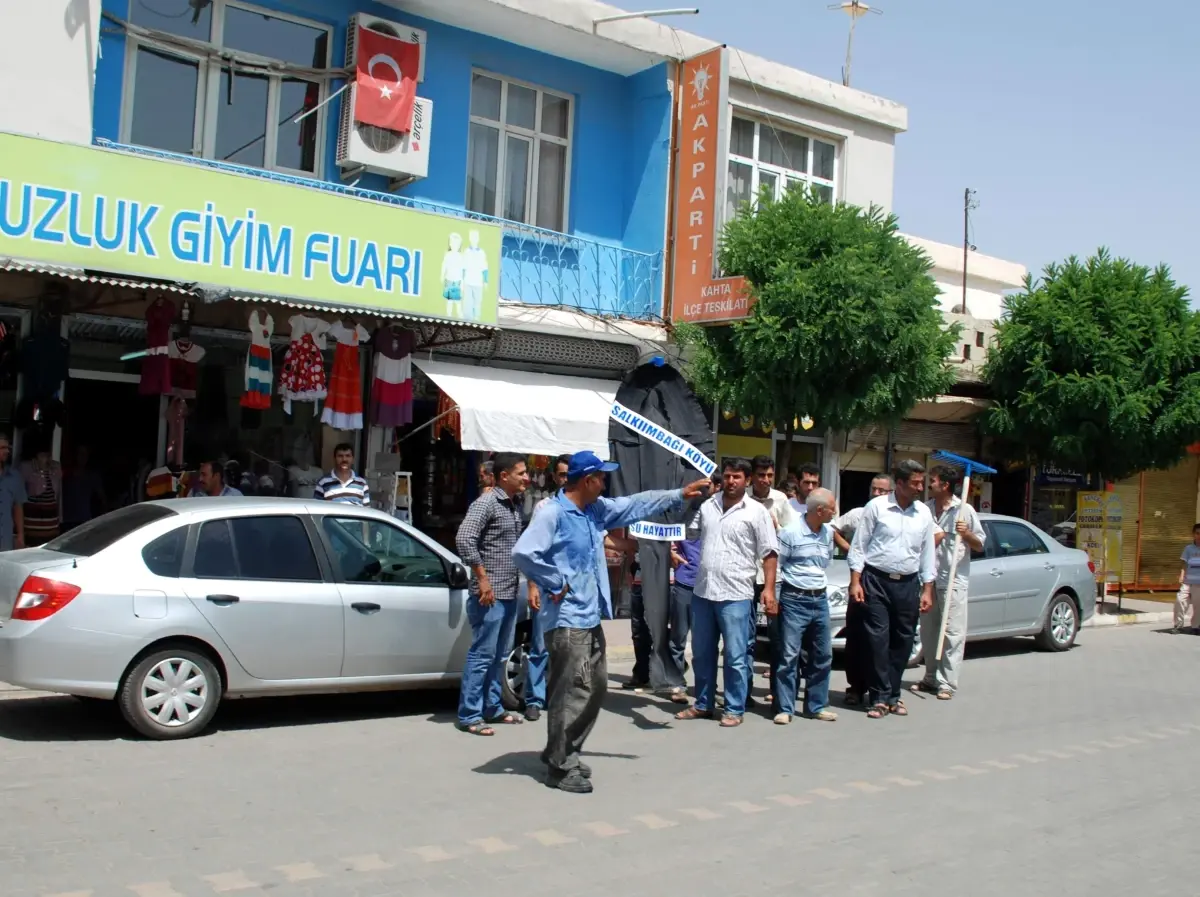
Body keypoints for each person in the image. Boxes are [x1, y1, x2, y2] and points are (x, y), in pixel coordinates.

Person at [513, 451, 709, 793]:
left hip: (588, 616)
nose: (606, 483)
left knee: (595, 687)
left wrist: (679, 494)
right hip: (566, 620)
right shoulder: (553, 513)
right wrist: (555, 582)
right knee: (572, 692)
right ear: (588, 481)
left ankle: (562, 751)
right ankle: (561, 766)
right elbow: (524, 553)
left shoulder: (594, 510)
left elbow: (633, 504)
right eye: (602, 477)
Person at [675, 457, 778, 729]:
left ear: (747, 480)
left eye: (737, 477)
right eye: (728, 476)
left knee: (734, 655)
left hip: (736, 594)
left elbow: (769, 553)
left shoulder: (757, 512)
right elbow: (689, 532)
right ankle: (703, 704)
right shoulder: (708, 506)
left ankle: (734, 707)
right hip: (704, 591)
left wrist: (768, 589)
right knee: (702, 653)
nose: (731, 482)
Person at [847, 459, 937, 720]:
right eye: (915, 482)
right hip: (875, 581)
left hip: (908, 584)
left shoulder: (923, 513)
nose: (921, 487)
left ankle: (893, 695)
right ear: (900, 483)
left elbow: (927, 554)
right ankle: (878, 698)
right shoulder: (876, 507)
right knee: (877, 640)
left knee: (903, 640)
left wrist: (927, 588)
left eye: (922, 481)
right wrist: (856, 581)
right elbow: (859, 547)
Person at [455, 452, 530, 735]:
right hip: (490, 594)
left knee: (499, 655)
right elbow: (464, 538)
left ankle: (493, 707)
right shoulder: (486, 502)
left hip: (509, 591)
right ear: (503, 476)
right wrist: (482, 578)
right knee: (482, 654)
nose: (527, 477)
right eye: (521, 473)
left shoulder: (514, 505)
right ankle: (470, 715)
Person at [912, 466, 985, 700]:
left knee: (952, 633)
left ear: (944, 485)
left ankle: (947, 683)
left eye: (932, 481)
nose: (928, 485)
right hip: (928, 581)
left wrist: (967, 534)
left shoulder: (964, 510)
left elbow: (980, 545)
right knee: (929, 632)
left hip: (953, 580)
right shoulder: (924, 509)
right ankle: (931, 677)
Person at [771, 487, 839, 724]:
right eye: (832, 508)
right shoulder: (790, 534)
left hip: (819, 598)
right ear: (819, 510)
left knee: (822, 655)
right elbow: (778, 566)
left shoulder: (828, 533)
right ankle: (785, 708)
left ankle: (816, 705)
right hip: (794, 599)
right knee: (789, 656)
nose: (835, 512)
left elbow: (825, 562)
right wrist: (775, 597)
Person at [834, 474, 893, 707]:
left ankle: (883, 691)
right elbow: (833, 528)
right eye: (874, 489)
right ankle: (855, 688)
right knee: (857, 637)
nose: (877, 494)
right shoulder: (859, 513)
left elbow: (934, 535)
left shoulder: (898, 516)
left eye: (882, 491)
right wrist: (849, 549)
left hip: (885, 582)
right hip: (859, 581)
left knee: (880, 640)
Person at [523, 454, 571, 722]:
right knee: (540, 646)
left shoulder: (583, 507)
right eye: (562, 475)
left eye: (569, 474)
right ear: (555, 477)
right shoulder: (544, 507)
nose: (565, 479)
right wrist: (532, 586)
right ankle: (534, 699)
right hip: (546, 586)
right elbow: (532, 551)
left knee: (569, 647)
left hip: (573, 589)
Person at [748, 455, 795, 705]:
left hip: (772, 578)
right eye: (761, 475)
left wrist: (778, 529)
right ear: (752, 477)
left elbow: (791, 537)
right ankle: (743, 693)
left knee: (778, 638)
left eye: (769, 475)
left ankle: (778, 693)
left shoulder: (780, 500)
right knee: (746, 637)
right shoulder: (742, 499)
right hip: (745, 577)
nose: (765, 480)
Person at [19, 442, 62, 546]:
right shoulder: (26, 468)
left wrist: (60, 520)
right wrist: (40, 469)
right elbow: (21, 496)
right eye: (42, 455)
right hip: (32, 525)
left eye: (47, 455)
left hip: (52, 525)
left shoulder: (56, 467)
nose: (46, 459)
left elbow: (59, 496)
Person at [62, 445, 105, 531]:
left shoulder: (92, 476)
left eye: (85, 454)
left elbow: (102, 498)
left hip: (84, 521)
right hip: (66, 520)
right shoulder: (65, 474)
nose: (82, 457)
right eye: (80, 454)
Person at [0, 434, 26, 550]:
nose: (7, 451)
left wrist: (20, 535)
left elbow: (18, 507)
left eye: (8, 448)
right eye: (2, 448)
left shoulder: (14, 476)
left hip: (5, 537)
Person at [1174, 523, 1200, 632]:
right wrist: (1181, 575)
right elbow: (1184, 563)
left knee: (1198, 605)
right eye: (1197, 533)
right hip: (1188, 581)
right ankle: (1178, 625)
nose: (1199, 536)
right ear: (1193, 534)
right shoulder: (1188, 548)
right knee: (1180, 600)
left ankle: (1195, 626)